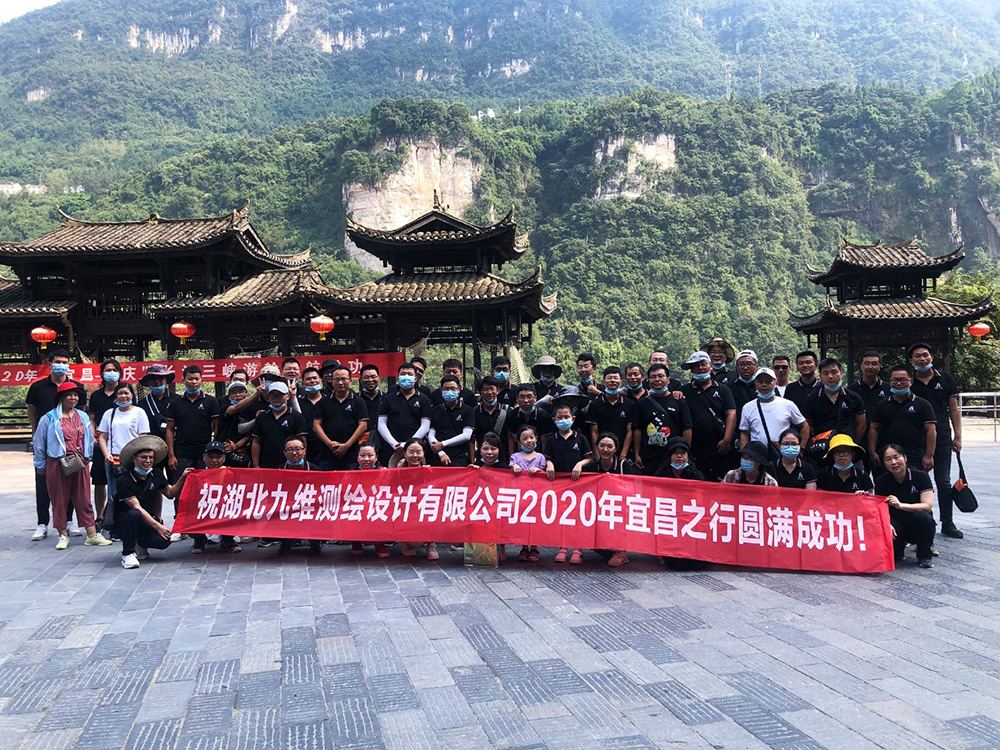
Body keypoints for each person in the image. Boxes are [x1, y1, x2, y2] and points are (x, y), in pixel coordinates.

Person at [32, 381, 111, 550]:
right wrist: (40, 464)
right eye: (69, 395)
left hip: (80, 461)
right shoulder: (49, 418)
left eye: (75, 395)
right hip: (57, 462)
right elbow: (39, 442)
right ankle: (62, 534)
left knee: (84, 498)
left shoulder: (82, 416)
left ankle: (91, 534)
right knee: (59, 498)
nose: (73, 398)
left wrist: (88, 456)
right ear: (61, 397)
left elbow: (88, 438)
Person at [25, 348, 86, 542]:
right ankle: (42, 523)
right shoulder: (38, 387)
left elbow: (81, 414)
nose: (61, 365)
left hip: (70, 444)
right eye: (58, 361)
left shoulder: (76, 387)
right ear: (49, 363)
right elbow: (32, 411)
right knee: (43, 481)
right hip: (46, 443)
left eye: (65, 362)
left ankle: (69, 521)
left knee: (70, 481)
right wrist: (36, 434)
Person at [907, 343, 964, 540]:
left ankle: (947, 522)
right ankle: (923, 522)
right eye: (917, 356)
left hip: (942, 438)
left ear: (931, 357)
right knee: (918, 482)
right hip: (916, 440)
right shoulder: (909, 383)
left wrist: (958, 435)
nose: (922, 359)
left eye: (925, 355)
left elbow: (953, 409)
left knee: (944, 482)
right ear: (911, 360)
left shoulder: (945, 379)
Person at [113, 436, 189, 569]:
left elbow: (170, 493)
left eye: (151, 458)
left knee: (164, 540)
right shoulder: (123, 481)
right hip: (125, 520)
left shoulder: (156, 474)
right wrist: (158, 526)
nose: (148, 461)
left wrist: (183, 478)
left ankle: (140, 543)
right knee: (134, 514)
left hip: (147, 520)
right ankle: (127, 553)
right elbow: (136, 507)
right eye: (144, 457)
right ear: (134, 458)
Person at [571, 432, 636, 568]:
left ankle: (620, 552)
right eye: (602, 446)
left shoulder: (624, 466)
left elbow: (631, 489)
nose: (605, 449)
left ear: (615, 448)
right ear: (597, 447)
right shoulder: (592, 468)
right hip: (599, 508)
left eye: (609, 446)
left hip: (619, 508)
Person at [875, 444, 936, 568]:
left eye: (896, 457)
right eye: (888, 459)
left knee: (924, 518)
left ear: (905, 458)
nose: (893, 462)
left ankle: (924, 555)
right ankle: (898, 550)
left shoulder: (921, 476)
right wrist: (886, 524)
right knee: (886, 529)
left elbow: (927, 506)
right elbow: (880, 509)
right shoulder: (881, 481)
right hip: (896, 523)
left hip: (916, 520)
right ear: (884, 463)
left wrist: (901, 505)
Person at [545, 402, 592, 564]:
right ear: (554, 420)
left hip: (578, 484)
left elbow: (589, 458)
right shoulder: (552, 440)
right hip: (559, 485)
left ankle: (578, 549)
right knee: (562, 516)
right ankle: (563, 547)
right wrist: (549, 464)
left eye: (566, 417)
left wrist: (580, 464)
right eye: (560, 417)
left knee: (578, 516)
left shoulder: (581, 438)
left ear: (573, 418)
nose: (563, 420)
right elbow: (548, 457)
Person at [868, 365, 936, 474]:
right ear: (890, 382)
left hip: (915, 454)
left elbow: (931, 431)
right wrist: (872, 452)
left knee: (915, 482)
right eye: (895, 380)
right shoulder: (881, 405)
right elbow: (874, 429)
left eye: (903, 380)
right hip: (887, 454)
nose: (899, 383)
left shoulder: (923, 404)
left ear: (911, 381)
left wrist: (929, 455)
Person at [680, 351, 736, 481]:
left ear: (710, 366)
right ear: (691, 370)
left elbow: (731, 413)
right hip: (694, 449)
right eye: (695, 366)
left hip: (719, 447)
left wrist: (727, 440)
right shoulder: (684, 390)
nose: (700, 368)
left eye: (703, 364)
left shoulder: (723, 389)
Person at [631, 364, 692, 475]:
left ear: (668, 380)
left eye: (661, 376)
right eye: (653, 377)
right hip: (649, 456)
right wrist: (637, 454)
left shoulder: (679, 401)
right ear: (648, 381)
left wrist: (685, 453)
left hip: (673, 456)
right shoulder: (642, 403)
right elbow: (637, 430)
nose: (657, 379)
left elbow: (687, 428)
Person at [738, 368, 809, 459]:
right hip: (757, 455)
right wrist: (745, 455)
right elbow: (744, 433)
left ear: (775, 383)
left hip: (782, 454)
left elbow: (804, 426)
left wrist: (801, 448)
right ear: (755, 384)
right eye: (760, 382)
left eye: (768, 382)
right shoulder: (748, 407)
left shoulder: (788, 404)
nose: (764, 385)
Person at [802, 357, 866, 455]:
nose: (830, 376)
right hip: (822, 449)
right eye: (825, 373)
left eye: (834, 372)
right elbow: (808, 425)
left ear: (841, 373)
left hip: (847, 448)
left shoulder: (853, 397)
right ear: (820, 375)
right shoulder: (812, 399)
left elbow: (861, 425)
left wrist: (853, 442)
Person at [97, 383, 150, 498]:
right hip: (113, 459)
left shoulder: (139, 412)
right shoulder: (109, 413)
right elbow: (103, 437)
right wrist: (106, 454)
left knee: (134, 493)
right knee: (114, 493)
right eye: (120, 393)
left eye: (126, 393)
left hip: (133, 459)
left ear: (132, 395)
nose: (123, 396)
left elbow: (142, 437)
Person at [165, 365, 219, 474]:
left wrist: (214, 452)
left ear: (201, 380)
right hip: (182, 453)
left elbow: (216, 427)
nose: (194, 382)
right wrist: (171, 455)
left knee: (204, 482)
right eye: (190, 379)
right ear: (183, 380)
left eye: (196, 379)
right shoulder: (175, 403)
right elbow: (170, 429)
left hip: (204, 453)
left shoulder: (211, 402)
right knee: (182, 482)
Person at [188, 442, 241, 554]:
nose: (214, 460)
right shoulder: (196, 475)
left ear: (224, 458)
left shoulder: (230, 473)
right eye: (210, 457)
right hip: (204, 509)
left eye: (218, 457)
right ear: (204, 457)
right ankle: (199, 540)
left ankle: (227, 540)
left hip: (224, 509)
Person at [88, 358, 122, 526]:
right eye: (108, 370)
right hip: (101, 444)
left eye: (114, 370)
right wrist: (93, 436)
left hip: (120, 445)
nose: (111, 373)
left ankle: (118, 514)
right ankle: (100, 516)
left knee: (120, 480)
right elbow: (92, 418)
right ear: (102, 373)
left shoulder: (124, 392)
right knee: (100, 480)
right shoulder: (96, 395)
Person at [313, 365, 369, 470]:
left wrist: (346, 446)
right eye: (337, 379)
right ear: (332, 381)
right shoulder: (323, 401)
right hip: (327, 454)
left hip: (351, 454)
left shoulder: (358, 401)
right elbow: (316, 425)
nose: (340, 383)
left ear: (350, 380)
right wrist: (329, 444)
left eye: (344, 379)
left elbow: (363, 426)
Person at [377, 362, 432, 467]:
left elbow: (425, 426)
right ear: (398, 377)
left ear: (415, 378)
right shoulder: (388, 399)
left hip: (415, 449)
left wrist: (409, 444)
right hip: (391, 447)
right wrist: (394, 444)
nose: (406, 377)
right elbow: (381, 424)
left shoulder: (424, 399)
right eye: (403, 374)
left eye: (409, 374)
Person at [277, 436, 323, 556]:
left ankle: (315, 540)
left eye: (298, 449)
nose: (294, 453)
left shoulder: (316, 470)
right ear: (284, 453)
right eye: (290, 450)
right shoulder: (279, 471)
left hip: (310, 507)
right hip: (288, 507)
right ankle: (287, 541)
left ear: (304, 451)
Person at [393, 439, 438, 561]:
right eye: (411, 452)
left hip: (423, 507)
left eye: (418, 452)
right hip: (404, 508)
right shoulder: (396, 471)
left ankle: (431, 545)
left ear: (423, 453)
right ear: (405, 453)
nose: (415, 456)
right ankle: (405, 543)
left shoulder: (429, 471)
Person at [509, 426, 547, 562]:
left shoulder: (541, 457)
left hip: (537, 496)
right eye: (525, 438)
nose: (529, 441)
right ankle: (524, 547)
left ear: (536, 439)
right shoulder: (515, 457)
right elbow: (509, 471)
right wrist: (514, 467)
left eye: (531, 437)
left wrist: (539, 471)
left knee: (535, 523)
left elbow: (545, 475)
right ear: (519, 441)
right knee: (523, 523)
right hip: (521, 496)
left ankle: (534, 548)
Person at [252, 381, 308, 469]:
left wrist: (301, 465)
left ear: (288, 396)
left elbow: (303, 442)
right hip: (266, 465)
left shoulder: (297, 417)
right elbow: (256, 442)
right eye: (272, 395)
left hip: (290, 466)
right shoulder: (262, 417)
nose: (276, 398)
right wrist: (256, 465)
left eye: (280, 395)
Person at [585, 367, 634, 460]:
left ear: (621, 381)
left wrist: (623, 454)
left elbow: (629, 431)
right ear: (604, 381)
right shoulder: (595, 404)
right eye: (609, 378)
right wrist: (597, 454)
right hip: (602, 451)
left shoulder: (629, 404)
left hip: (622, 452)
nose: (612, 381)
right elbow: (594, 432)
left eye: (615, 378)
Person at [848, 351, 887, 469]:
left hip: (883, 441)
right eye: (867, 363)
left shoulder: (888, 389)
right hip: (859, 441)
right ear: (861, 366)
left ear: (880, 366)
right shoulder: (851, 390)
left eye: (874, 364)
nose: (870, 367)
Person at [351, 445, 390, 558]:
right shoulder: (350, 473)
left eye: (370, 455)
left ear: (376, 457)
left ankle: (379, 543)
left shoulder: (385, 472)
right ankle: (356, 541)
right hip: (358, 505)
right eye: (362, 455)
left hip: (377, 505)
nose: (366, 459)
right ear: (357, 457)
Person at [428, 376, 474, 466]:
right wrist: (441, 453)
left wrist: (443, 444)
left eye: (453, 388)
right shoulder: (435, 410)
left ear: (459, 389)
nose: (449, 391)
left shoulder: (467, 410)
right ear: (441, 390)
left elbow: (466, 435)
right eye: (446, 389)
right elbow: (430, 434)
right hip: (438, 456)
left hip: (459, 457)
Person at [505, 383, 554, 457]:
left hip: (538, 455)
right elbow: (511, 438)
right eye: (522, 397)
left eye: (529, 397)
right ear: (517, 399)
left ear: (535, 398)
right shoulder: (513, 415)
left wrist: (544, 458)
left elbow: (544, 440)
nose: (526, 400)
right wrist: (512, 458)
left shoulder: (543, 415)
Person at [296, 367, 329, 468]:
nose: (312, 381)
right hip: (305, 450)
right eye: (308, 379)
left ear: (321, 380)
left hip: (327, 450)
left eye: (315, 378)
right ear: (303, 383)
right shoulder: (297, 403)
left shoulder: (330, 401)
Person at [215, 380, 253, 468]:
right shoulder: (224, 408)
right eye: (234, 392)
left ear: (246, 394)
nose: (238, 395)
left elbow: (248, 435)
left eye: (241, 391)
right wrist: (257, 394)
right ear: (229, 396)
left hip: (243, 453)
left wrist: (235, 446)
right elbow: (237, 407)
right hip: (224, 451)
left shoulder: (251, 410)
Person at [473, 376, 510, 464]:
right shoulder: (475, 411)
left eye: (492, 389)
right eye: (485, 389)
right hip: (482, 458)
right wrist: (472, 460)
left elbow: (511, 437)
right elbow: (472, 438)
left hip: (503, 458)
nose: (489, 392)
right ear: (480, 392)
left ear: (498, 390)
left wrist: (512, 459)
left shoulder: (507, 410)